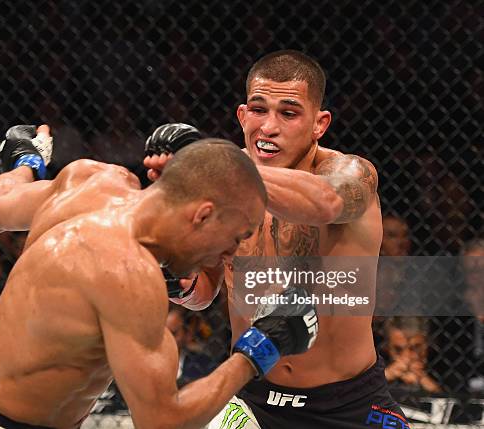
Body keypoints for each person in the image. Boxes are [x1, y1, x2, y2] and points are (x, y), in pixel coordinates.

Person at [0, 125, 318, 429]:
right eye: (235, 237)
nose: (231, 253)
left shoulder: (92, 180)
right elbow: (162, 421)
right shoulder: (128, 274)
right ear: (202, 215)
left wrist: (24, 162)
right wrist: (261, 347)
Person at [144, 50, 409, 428]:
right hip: (252, 399)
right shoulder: (221, 180)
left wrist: (219, 169)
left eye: (288, 113)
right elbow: (203, 293)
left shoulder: (351, 172)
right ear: (241, 115)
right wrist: (175, 278)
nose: (268, 127)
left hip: (347, 405)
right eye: (258, 109)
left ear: (319, 124)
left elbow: (327, 202)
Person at [384, 317, 442, 393]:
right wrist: (386, 375)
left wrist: (424, 380)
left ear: (428, 344)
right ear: (386, 348)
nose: (407, 357)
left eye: (415, 348)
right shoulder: (375, 365)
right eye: (398, 350)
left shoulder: (443, 364)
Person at [166, 308, 216, 386]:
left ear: (188, 333)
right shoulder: (153, 360)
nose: (167, 339)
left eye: (174, 333)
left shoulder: (203, 364)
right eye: (164, 333)